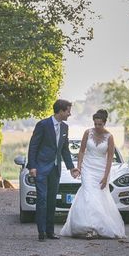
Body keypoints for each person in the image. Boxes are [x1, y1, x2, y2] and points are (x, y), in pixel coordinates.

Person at [60, 109, 126, 239]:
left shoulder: (109, 137)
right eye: (95, 124)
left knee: (99, 197)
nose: (97, 127)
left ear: (104, 123)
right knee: (88, 195)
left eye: (100, 124)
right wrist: (79, 167)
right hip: (87, 169)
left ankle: (98, 226)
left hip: (101, 170)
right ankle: (89, 228)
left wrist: (106, 176)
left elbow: (110, 158)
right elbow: (82, 151)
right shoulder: (87, 133)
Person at [27, 99, 80, 241]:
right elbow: (33, 146)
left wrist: (71, 168)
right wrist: (32, 166)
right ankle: (41, 232)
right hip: (41, 168)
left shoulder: (65, 128)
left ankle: (50, 231)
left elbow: (64, 149)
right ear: (61, 111)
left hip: (56, 169)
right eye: (68, 111)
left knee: (51, 201)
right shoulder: (43, 125)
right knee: (42, 200)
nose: (70, 113)